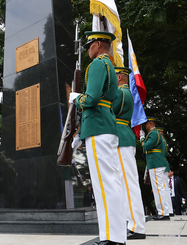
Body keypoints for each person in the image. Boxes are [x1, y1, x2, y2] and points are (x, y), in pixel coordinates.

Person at [70, 31, 126, 245]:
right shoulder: (109, 66)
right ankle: (115, 235)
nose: (88, 49)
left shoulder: (97, 65)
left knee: (104, 184)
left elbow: (91, 99)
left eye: (90, 44)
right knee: (111, 182)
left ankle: (112, 237)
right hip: (105, 125)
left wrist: (77, 99)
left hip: (97, 127)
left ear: (100, 44)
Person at [113, 66, 146, 240]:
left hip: (122, 140)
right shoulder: (126, 93)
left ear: (119, 78)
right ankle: (132, 223)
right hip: (123, 139)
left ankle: (137, 226)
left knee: (128, 184)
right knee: (125, 183)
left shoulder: (121, 93)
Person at [141, 118, 170, 220]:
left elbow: (147, 146)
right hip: (157, 162)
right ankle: (164, 211)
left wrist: (142, 139)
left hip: (155, 163)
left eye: (146, 124)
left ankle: (163, 212)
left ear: (150, 123)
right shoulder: (156, 133)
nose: (145, 126)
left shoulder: (153, 133)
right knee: (160, 187)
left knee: (158, 188)